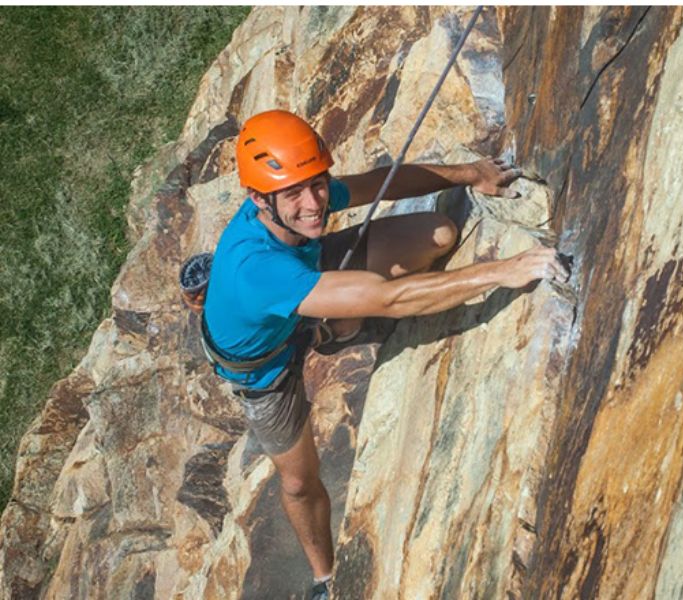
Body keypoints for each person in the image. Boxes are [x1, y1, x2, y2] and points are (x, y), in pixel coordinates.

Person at [201, 110, 567, 599]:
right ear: (258, 199)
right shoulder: (256, 270)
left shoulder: (294, 197)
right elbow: (390, 298)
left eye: (318, 185)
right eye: (295, 194)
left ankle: (328, 322)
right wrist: (501, 271)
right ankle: (324, 580)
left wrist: (472, 174)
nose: (314, 204)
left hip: (301, 275)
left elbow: (380, 183)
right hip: (265, 369)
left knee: (438, 233)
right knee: (299, 484)